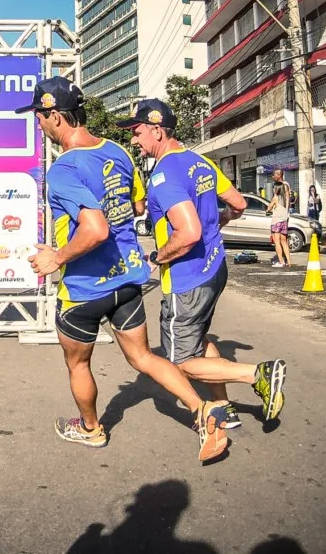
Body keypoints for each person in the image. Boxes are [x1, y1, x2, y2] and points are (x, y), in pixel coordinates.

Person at [16, 77, 230, 463]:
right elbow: (135, 207)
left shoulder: (63, 168)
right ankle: (203, 411)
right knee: (143, 358)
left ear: (55, 116)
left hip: (83, 288)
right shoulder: (118, 152)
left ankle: (90, 429)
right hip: (128, 280)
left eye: (39, 118)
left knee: (78, 363)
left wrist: (57, 257)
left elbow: (95, 229)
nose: (39, 125)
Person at [119, 99, 288, 425]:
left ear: (157, 130)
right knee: (198, 340)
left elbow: (189, 232)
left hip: (186, 280)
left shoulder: (163, 176)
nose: (134, 140)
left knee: (180, 362)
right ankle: (224, 407)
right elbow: (237, 205)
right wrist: (215, 225)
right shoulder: (199, 162)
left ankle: (258, 374)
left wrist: (157, 256)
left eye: (137, 133)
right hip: (215, 268)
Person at [266, 169, 292, 268]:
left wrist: (268, 209)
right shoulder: (286, 194)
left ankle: (281, 262)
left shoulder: (276, 197)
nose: (273, 176)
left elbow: (268, 207)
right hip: (284, 219)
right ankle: (289, 261)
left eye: (274, 175)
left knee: (277, 242)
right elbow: (288, 200)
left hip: (276, 221)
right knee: (284, 241)